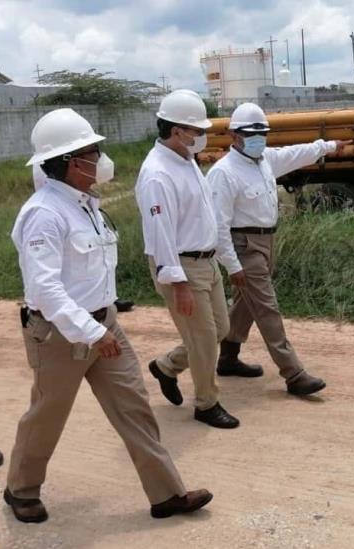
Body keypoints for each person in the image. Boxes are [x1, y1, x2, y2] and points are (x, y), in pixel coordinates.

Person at [6, 108, 212, 523]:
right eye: (92, 151)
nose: (101, 158)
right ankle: (21, 489)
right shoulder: (43, 214)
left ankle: (167, 493)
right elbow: (46, 289)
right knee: (48, 413)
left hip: (104, 323)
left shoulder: (86, 204)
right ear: (69, 162)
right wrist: (90, 331)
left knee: (134, 406)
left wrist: (106, 320)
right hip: (61, 334)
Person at [207, 102, 349, 395]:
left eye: (263, 133)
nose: (258, 139)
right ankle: (293, 373)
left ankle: (228, 358)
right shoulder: (223, 173)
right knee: (266, 307)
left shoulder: (265, 160)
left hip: (267, 241)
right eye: (251, 134)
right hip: (243, 246)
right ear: (235, 136)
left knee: (247, 303)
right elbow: (218, 226)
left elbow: (296, 153)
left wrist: (330, 145)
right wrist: (232, 265)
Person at [135, 90, 238, 429]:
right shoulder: (157, 174)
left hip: (205, 262)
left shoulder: (184, 160)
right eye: (196, 130)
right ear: (177, 130)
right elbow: (160, 233)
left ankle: (166, 366)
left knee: (221, 328)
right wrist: (177, 283)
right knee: (205, 339)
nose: (202, 136)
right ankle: (207, 403)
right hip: (181, 266)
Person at [33, 161, 135, 313]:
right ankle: (71, 305)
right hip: (63, 201)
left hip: (78, 196)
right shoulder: (47, 162)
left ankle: (104, 297)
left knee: (100, 249)